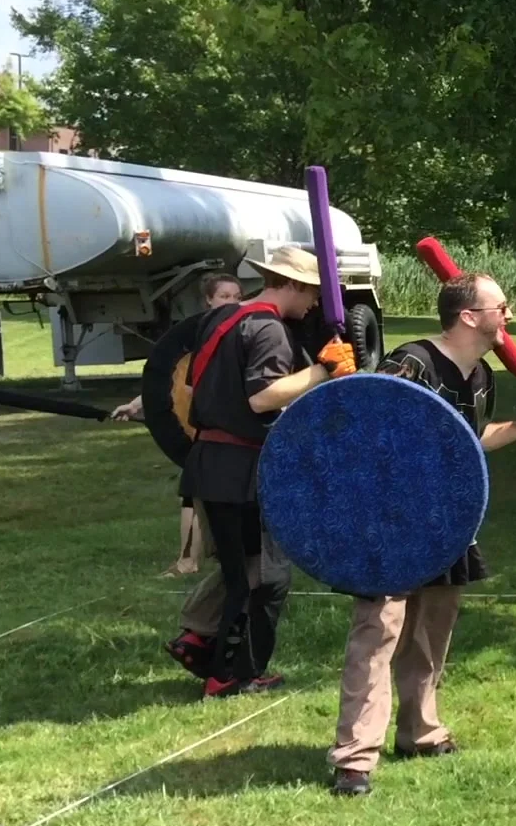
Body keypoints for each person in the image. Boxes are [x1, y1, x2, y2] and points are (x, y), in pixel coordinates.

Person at [327, 272, 516, 796]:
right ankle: (355, 758)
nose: (510, 317)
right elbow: (368, 431)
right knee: (378, 633)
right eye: (503, 307)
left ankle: (420, 732)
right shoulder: (412, 362)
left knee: (431, 633)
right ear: (470, 316)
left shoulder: (480, 376)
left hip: (448, 520)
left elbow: (472, 440)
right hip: (393, 519)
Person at [182, 245, 355, 698]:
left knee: (249, 573)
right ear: (293, 285)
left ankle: (203, 645)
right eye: (313, 292)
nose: (315, 302)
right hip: (241, 469)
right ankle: (229, 675)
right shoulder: (268, 329)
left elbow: (191, 385)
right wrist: (323, 370)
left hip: (208, 463)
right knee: (262, 579)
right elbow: (262, 397)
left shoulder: (220, 319)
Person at [111, 272, 246, 675]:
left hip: (230, 457)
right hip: (213, 456)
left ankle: (204, 631)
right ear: (208, 300)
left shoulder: (244, 333)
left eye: (237, 295)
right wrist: (143, 404)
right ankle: (199, 630)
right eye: (225, 295)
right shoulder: (204, 336)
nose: (232, 301)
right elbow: (176, 376)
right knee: (246, 567)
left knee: (244, 563)